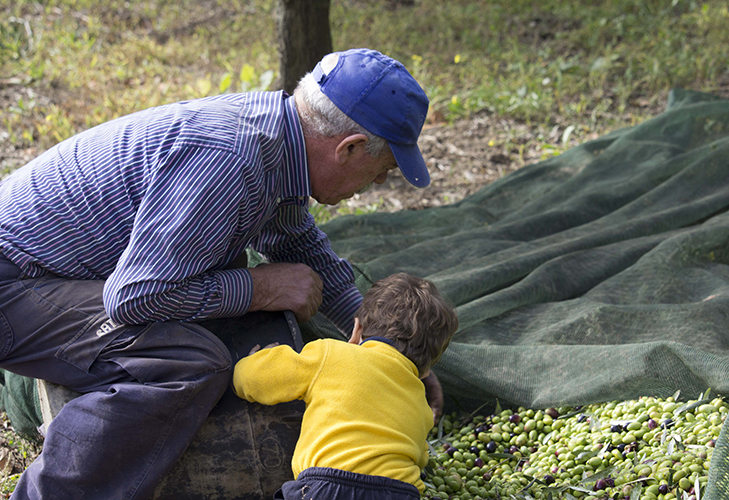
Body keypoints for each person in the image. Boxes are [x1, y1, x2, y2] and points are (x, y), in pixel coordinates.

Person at [0, 48, 443, 499]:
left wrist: (382, 346)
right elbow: (133, 297)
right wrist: (260, 286)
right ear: (347, 148)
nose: (381, 184)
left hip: (49, 273)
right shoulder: (229, 159)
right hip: (13, 286)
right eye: (384, 169)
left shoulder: (279, 139)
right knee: (187, 362)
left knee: (219, 287)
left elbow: (298, 242)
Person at [233, 273, 459, 500]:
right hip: (399, 491)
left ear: (356, 330)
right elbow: (418, 458)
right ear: (427, 370)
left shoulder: (330, 354)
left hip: (328, 486)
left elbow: (254, 380)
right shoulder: (422, 406)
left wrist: (251, 364)